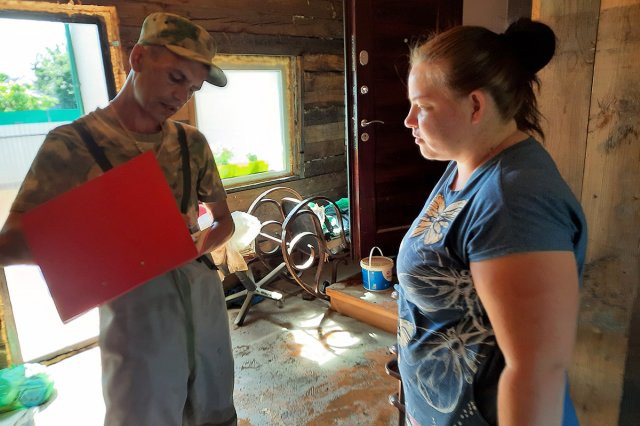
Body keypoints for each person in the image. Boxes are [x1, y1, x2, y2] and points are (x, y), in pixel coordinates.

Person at [0, 12, 238, 426]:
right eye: (176, 77)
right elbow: (9, 245)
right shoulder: (73, 145)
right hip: (135, 310)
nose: (181, 96)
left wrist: (188, 248)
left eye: (192, 88)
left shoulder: (191, 143)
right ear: (138, 57)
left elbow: (224, 222)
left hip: (203, 299)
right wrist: (102, 236)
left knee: (215, 412)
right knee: (143, 415)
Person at [397, 18, 586, 426]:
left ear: (476, 106)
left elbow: (537, 373)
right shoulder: (467, 162)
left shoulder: (513, 202)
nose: (409, 120)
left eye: (423, 107)